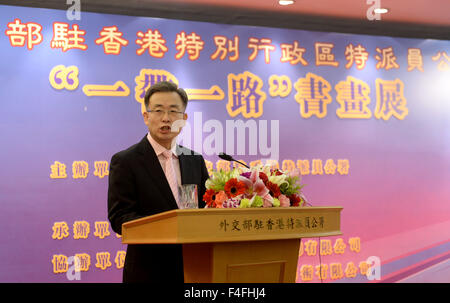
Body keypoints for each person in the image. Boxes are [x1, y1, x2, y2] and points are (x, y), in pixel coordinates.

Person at [107, 81, 209, 283]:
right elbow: (120, 218)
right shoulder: (126, 161)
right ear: (146, 116)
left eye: (173, 111)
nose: (166, 118)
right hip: (148, 272)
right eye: (158, 111)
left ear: (184, 118)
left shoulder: (194, 160)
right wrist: (169, 227)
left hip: (195, 269)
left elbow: (205, 208)